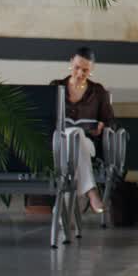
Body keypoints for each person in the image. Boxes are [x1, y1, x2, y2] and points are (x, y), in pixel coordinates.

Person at [52, 46, 116, 214]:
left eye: (85, 70)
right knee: (71, 135)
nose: (80, 73)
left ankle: (68, 211)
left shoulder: (98, 92)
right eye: (77, 68)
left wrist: (102, 125)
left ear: (92, 69)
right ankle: (90, 192)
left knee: (76, 133)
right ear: (70, 63)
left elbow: (111, 121)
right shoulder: (56, 87)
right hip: (60, 143)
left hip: (88, 143)